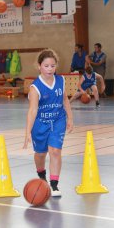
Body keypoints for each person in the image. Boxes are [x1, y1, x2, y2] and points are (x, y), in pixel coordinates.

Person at [23, 49, 73, 197]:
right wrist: (27, 133)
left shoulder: (61, 80)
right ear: (39, 66)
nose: (50, 69)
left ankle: (54, 185)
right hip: (40, 124)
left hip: (58, 120)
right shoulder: (35, 87)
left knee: (55, 151)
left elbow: (64, 100)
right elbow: (32, 111)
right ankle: (41, 175)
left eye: (52, 66)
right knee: (40, 154)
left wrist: (70, 118)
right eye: (46, 66)